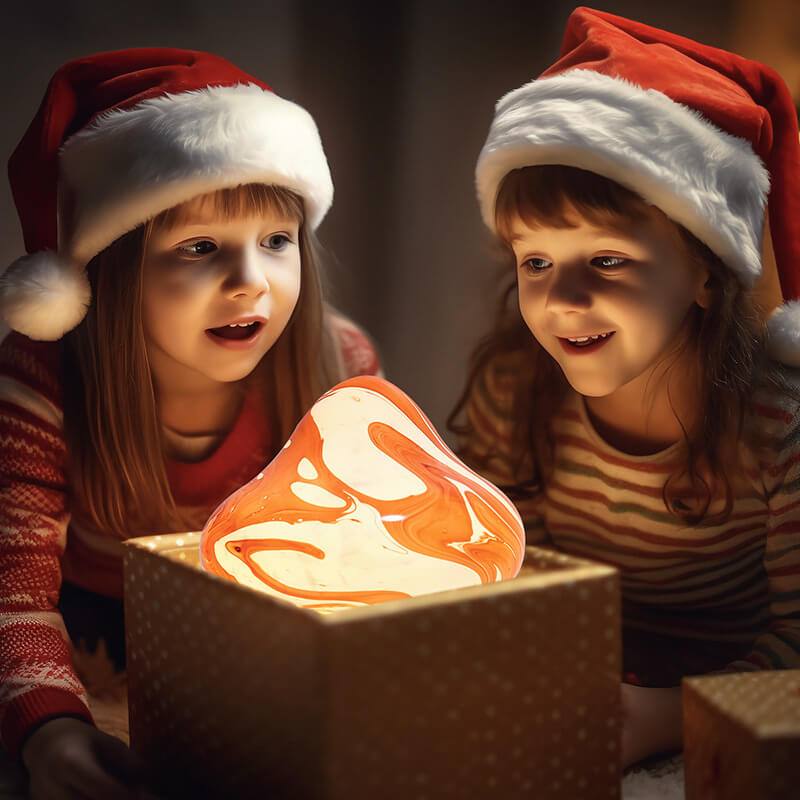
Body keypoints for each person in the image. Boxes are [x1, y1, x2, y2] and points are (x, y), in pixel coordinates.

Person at [0, 49, 378, 798]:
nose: (250, 282)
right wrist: (52, 735)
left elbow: (360, 562)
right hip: (93, 635)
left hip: (267, 623)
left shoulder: (338, 360)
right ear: (109, 270)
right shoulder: (43, 381)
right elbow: (16, 596)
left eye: (276, 241)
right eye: (200, 248)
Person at [450, 7, 800, 769]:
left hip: (736, 716)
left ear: (707, 272)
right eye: (536, 261)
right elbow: (501, 570)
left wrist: (662, 715)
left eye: (606, 261)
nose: (561, 298)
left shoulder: (779, 425)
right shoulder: (515, 392)